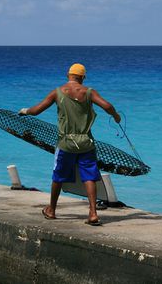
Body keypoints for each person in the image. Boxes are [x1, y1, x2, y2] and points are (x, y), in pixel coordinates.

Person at [19, 63, 121, 226]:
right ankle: (93, 213)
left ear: (68, 75)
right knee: (89, 177)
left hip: (66, 143)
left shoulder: (57, 92)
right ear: (82, 77)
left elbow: (37, 110)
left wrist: (25, 111)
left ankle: (51, 210)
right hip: (86, 142)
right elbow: (107, 106)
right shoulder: (88, 92)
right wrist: (116, 116)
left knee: (58, 176)